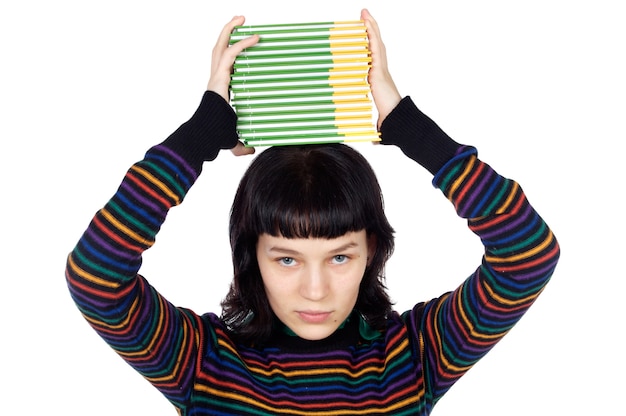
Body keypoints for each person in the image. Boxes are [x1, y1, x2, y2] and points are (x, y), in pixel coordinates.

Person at [65, 9, 560, 415]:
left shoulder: (414, 358)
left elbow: (528, 256)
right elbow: (95, 277)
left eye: (340, 257)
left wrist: (408, 126)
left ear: (373, 250)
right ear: (250, 256)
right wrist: (200, 134)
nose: (315, 290)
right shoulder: (201, 361)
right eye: (286, 259)